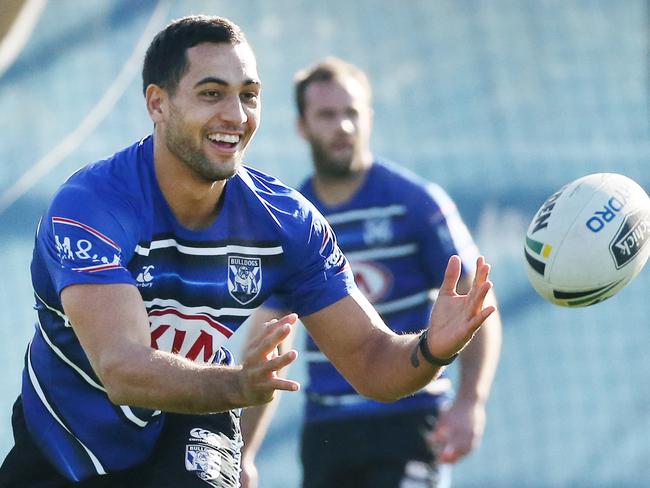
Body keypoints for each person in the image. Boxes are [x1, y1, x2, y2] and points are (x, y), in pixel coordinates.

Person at [0, 16, 495, 488]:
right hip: (61, 448)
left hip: (193, 422)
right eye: (211, 94)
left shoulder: (288, 223)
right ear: (157, 103)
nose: (235, 116)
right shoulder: (90, 206)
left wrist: (432, 347)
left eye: (249, 96)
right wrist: (241, 384)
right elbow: (123, 369)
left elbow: (371, 361)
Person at [240, 57, 502, 488]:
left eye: (352, 113)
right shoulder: (291, 220)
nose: (342, 126)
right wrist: (245, 452)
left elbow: (478, 303)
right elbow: (272, 340)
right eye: (327, 115)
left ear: (369, 119)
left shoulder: (416, 202)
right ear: (302, 126)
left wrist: (471, 400)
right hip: (328, 430)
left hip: (409, 418)